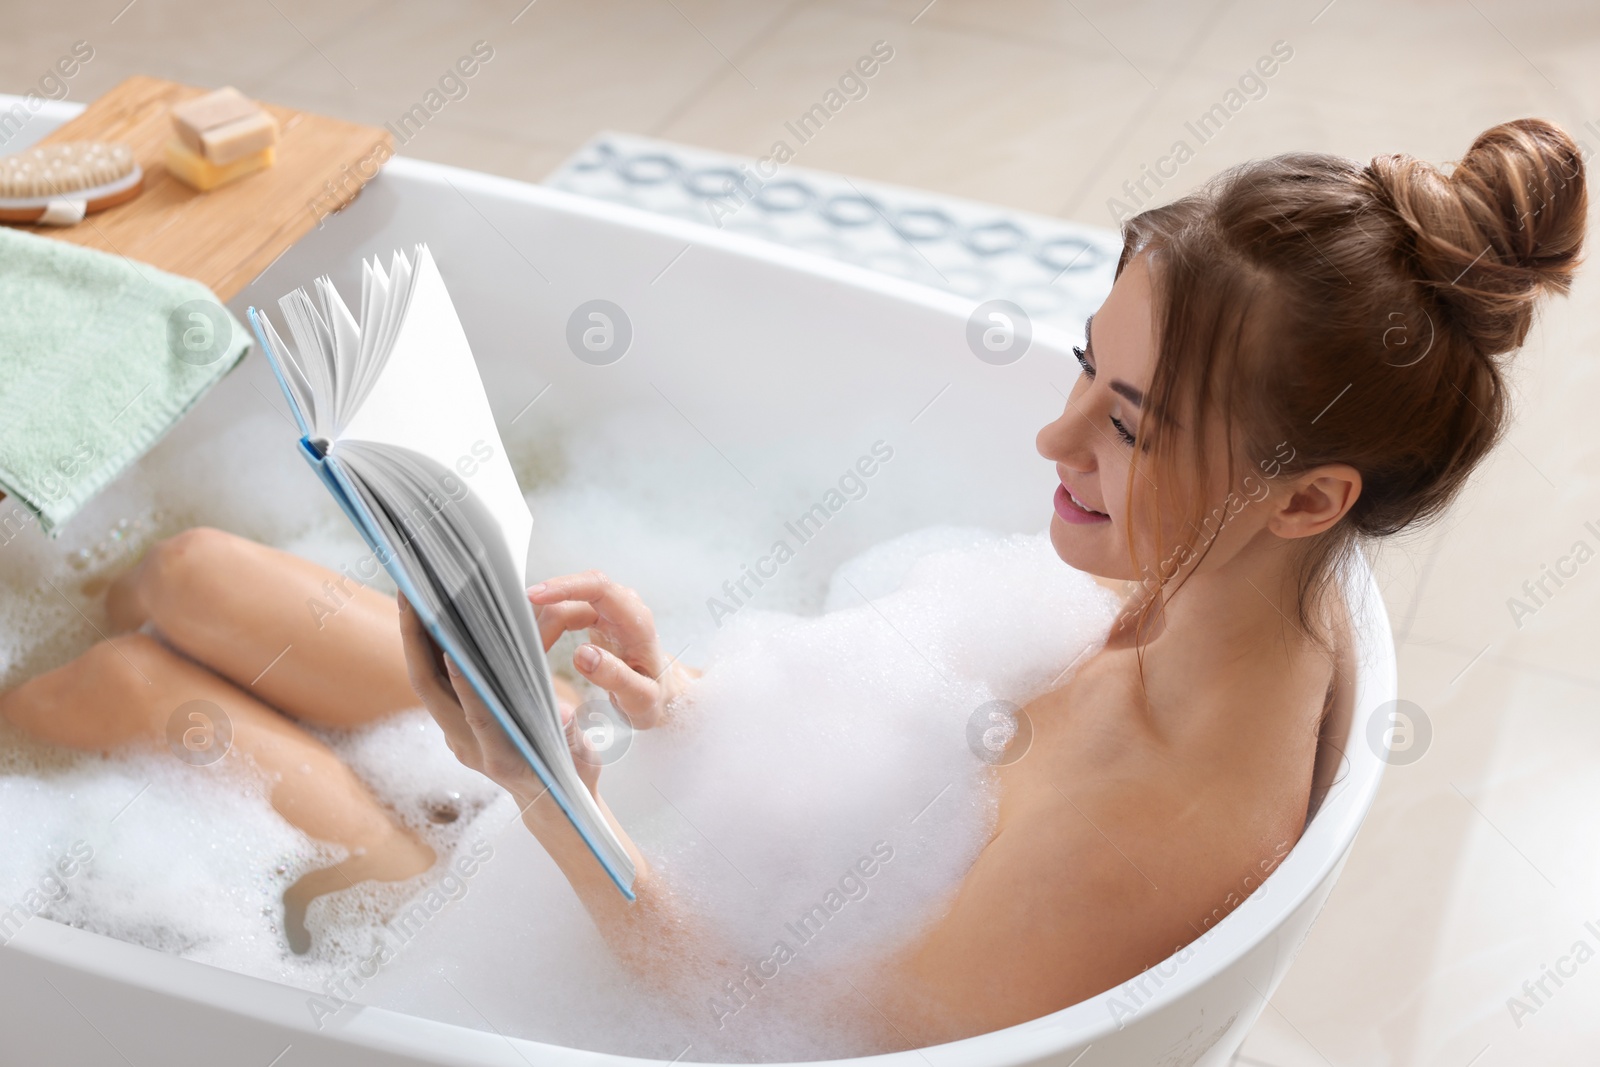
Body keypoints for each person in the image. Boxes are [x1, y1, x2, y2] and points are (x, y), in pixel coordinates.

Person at [1, 117, 1584, 1045]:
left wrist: (539, 779)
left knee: (125, 689)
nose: (1051, 435)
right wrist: (675, 696)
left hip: (582, 932)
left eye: (1124, 421)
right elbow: (910, 764)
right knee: (199, 566)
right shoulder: (1223, 596)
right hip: (628, 815)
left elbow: (771, 1026)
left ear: (1310, 494)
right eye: (1084, 370)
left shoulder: (1152, 838)